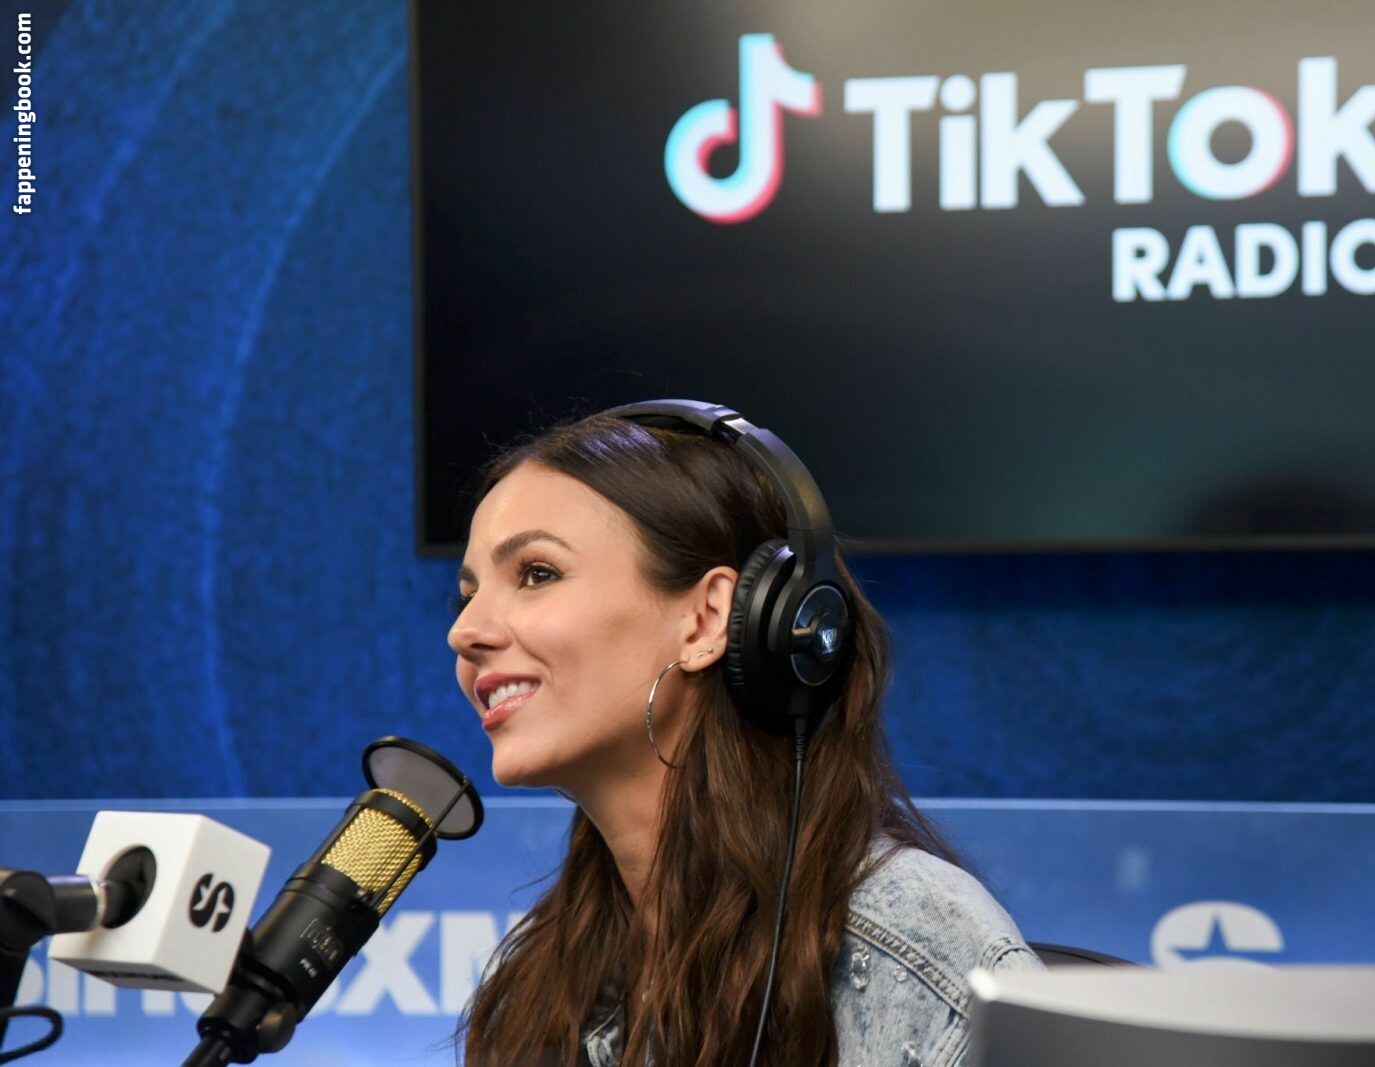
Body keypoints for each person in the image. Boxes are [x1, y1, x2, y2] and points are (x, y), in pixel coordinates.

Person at [445, 403, 1042, 1066]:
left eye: (537, 573)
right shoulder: (543, 981)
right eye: (466, 595)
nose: (464, 631)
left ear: (707, 620)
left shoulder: (916, 949)